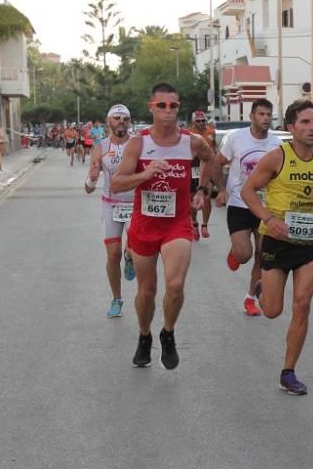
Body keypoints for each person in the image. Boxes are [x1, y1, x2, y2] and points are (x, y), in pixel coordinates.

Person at [110, 83, 219, 370]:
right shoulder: (139, 143)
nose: (167, 112)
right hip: (144, 226)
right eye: (161, 106)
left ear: (178, 107)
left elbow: (212, 159)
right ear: (151, 108)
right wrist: (145, 173)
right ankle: (145, 337)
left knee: (175, 285)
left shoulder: (191, 141)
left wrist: (202, 189)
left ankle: (168, 332)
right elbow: (117, 182)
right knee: (146, 292)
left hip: (177, 224)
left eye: (173, 106)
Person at [240, 99, 313, 395]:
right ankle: (261, 289)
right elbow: (248, 191)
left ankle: (288, 372)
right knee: (272, 310)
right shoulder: (275, 158)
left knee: (303, 304)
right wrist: (269, 219)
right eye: (305, 122)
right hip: (278, 241)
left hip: (311, 242)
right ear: (291, 127)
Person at [214, 98, 281, 317]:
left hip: (266, 207)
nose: (265, 119)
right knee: (245, 255)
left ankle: (250, 297)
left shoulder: (277, 144)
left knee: (263, 254)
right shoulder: (236, 138)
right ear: (252, 116)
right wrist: (220, 189)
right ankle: (236, 251)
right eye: (261, 114)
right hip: (239, 203)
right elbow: (217, 162)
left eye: (268, 115)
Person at [85, 104, 137, 318]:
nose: (121, 122)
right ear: (108, 123)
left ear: (129, 122)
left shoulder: (138, 144)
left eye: (124, 118)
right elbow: (88, 188)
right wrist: (92, 178)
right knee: (113, 255)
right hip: (111, 204)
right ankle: (117, 299)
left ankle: (130, 256)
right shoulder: (101, 148)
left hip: (135, 204)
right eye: (116, 118)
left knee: (134, 251)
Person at [189, 110, 217, 240]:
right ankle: (194, 222)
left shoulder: (211, 132)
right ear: (193, 122)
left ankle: (205, 225)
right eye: (198, 121)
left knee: (206, 197)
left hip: (207, 168)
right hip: (192, 168)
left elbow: (214, 150)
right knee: (192, 199)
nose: (201, 123)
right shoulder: (188, 133)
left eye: (203, 121)